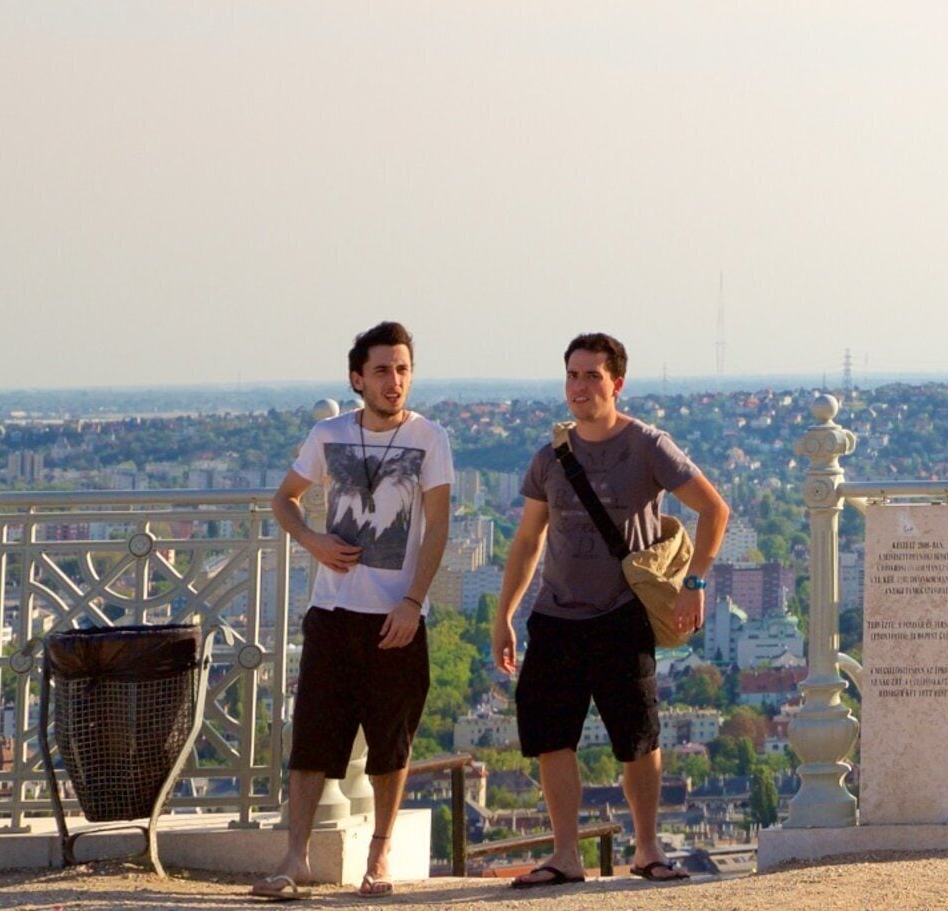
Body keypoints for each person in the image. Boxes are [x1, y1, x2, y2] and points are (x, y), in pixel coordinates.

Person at [492, 333, 730, 887]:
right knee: (552, 737)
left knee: (637, 738)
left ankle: (647, 849)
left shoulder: (649, 446)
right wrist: (503, 614)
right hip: (556, 615)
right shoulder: (550, 457)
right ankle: (566, 854)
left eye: (592, 376)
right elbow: (528, 540)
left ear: (616, 383)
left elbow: (714, 510)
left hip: (622, 614)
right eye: (572, 376)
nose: (579, 387)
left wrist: (695, 581)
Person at [255, 322, 454, 901]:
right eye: (383, 370)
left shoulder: (430, 439)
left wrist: (413, 603)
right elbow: (282, 500)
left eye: (403, 369)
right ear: (356, 378)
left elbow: (439, 525)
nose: (395, 382)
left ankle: (379, 857)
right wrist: (312, 541)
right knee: (313, 740)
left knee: (391, 746)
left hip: (396, 617)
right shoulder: (328, 434)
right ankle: (293, 860)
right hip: (332, 613)